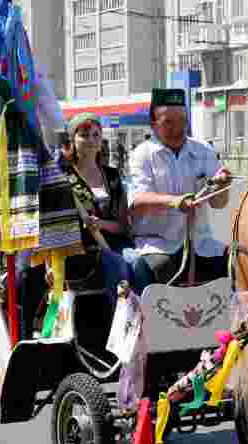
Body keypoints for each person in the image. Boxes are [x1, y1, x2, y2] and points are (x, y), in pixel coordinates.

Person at [125, 88, 232, 293]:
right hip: (159, 243)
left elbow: (219, 203)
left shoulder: (203, 150)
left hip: (200, 242)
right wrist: (175, 202)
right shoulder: (142, 154)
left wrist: (222, 186)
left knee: (232, 264)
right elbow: (138, 201)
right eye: (168, 122)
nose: (178, 128)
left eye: (183, 121)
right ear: (153, 125)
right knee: (161, 268)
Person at [61, 112, 134, 308]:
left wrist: (100, 224)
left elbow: (123, 226)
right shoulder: (64, 178)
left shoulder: (111, 175)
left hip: (114, 242)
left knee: (137, 262)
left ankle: (139, 317)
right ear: (72, 140)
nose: (91, 140)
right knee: (117, 265)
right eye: (84, 135)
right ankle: (116, 320)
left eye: (96, 135)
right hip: (80, 247)